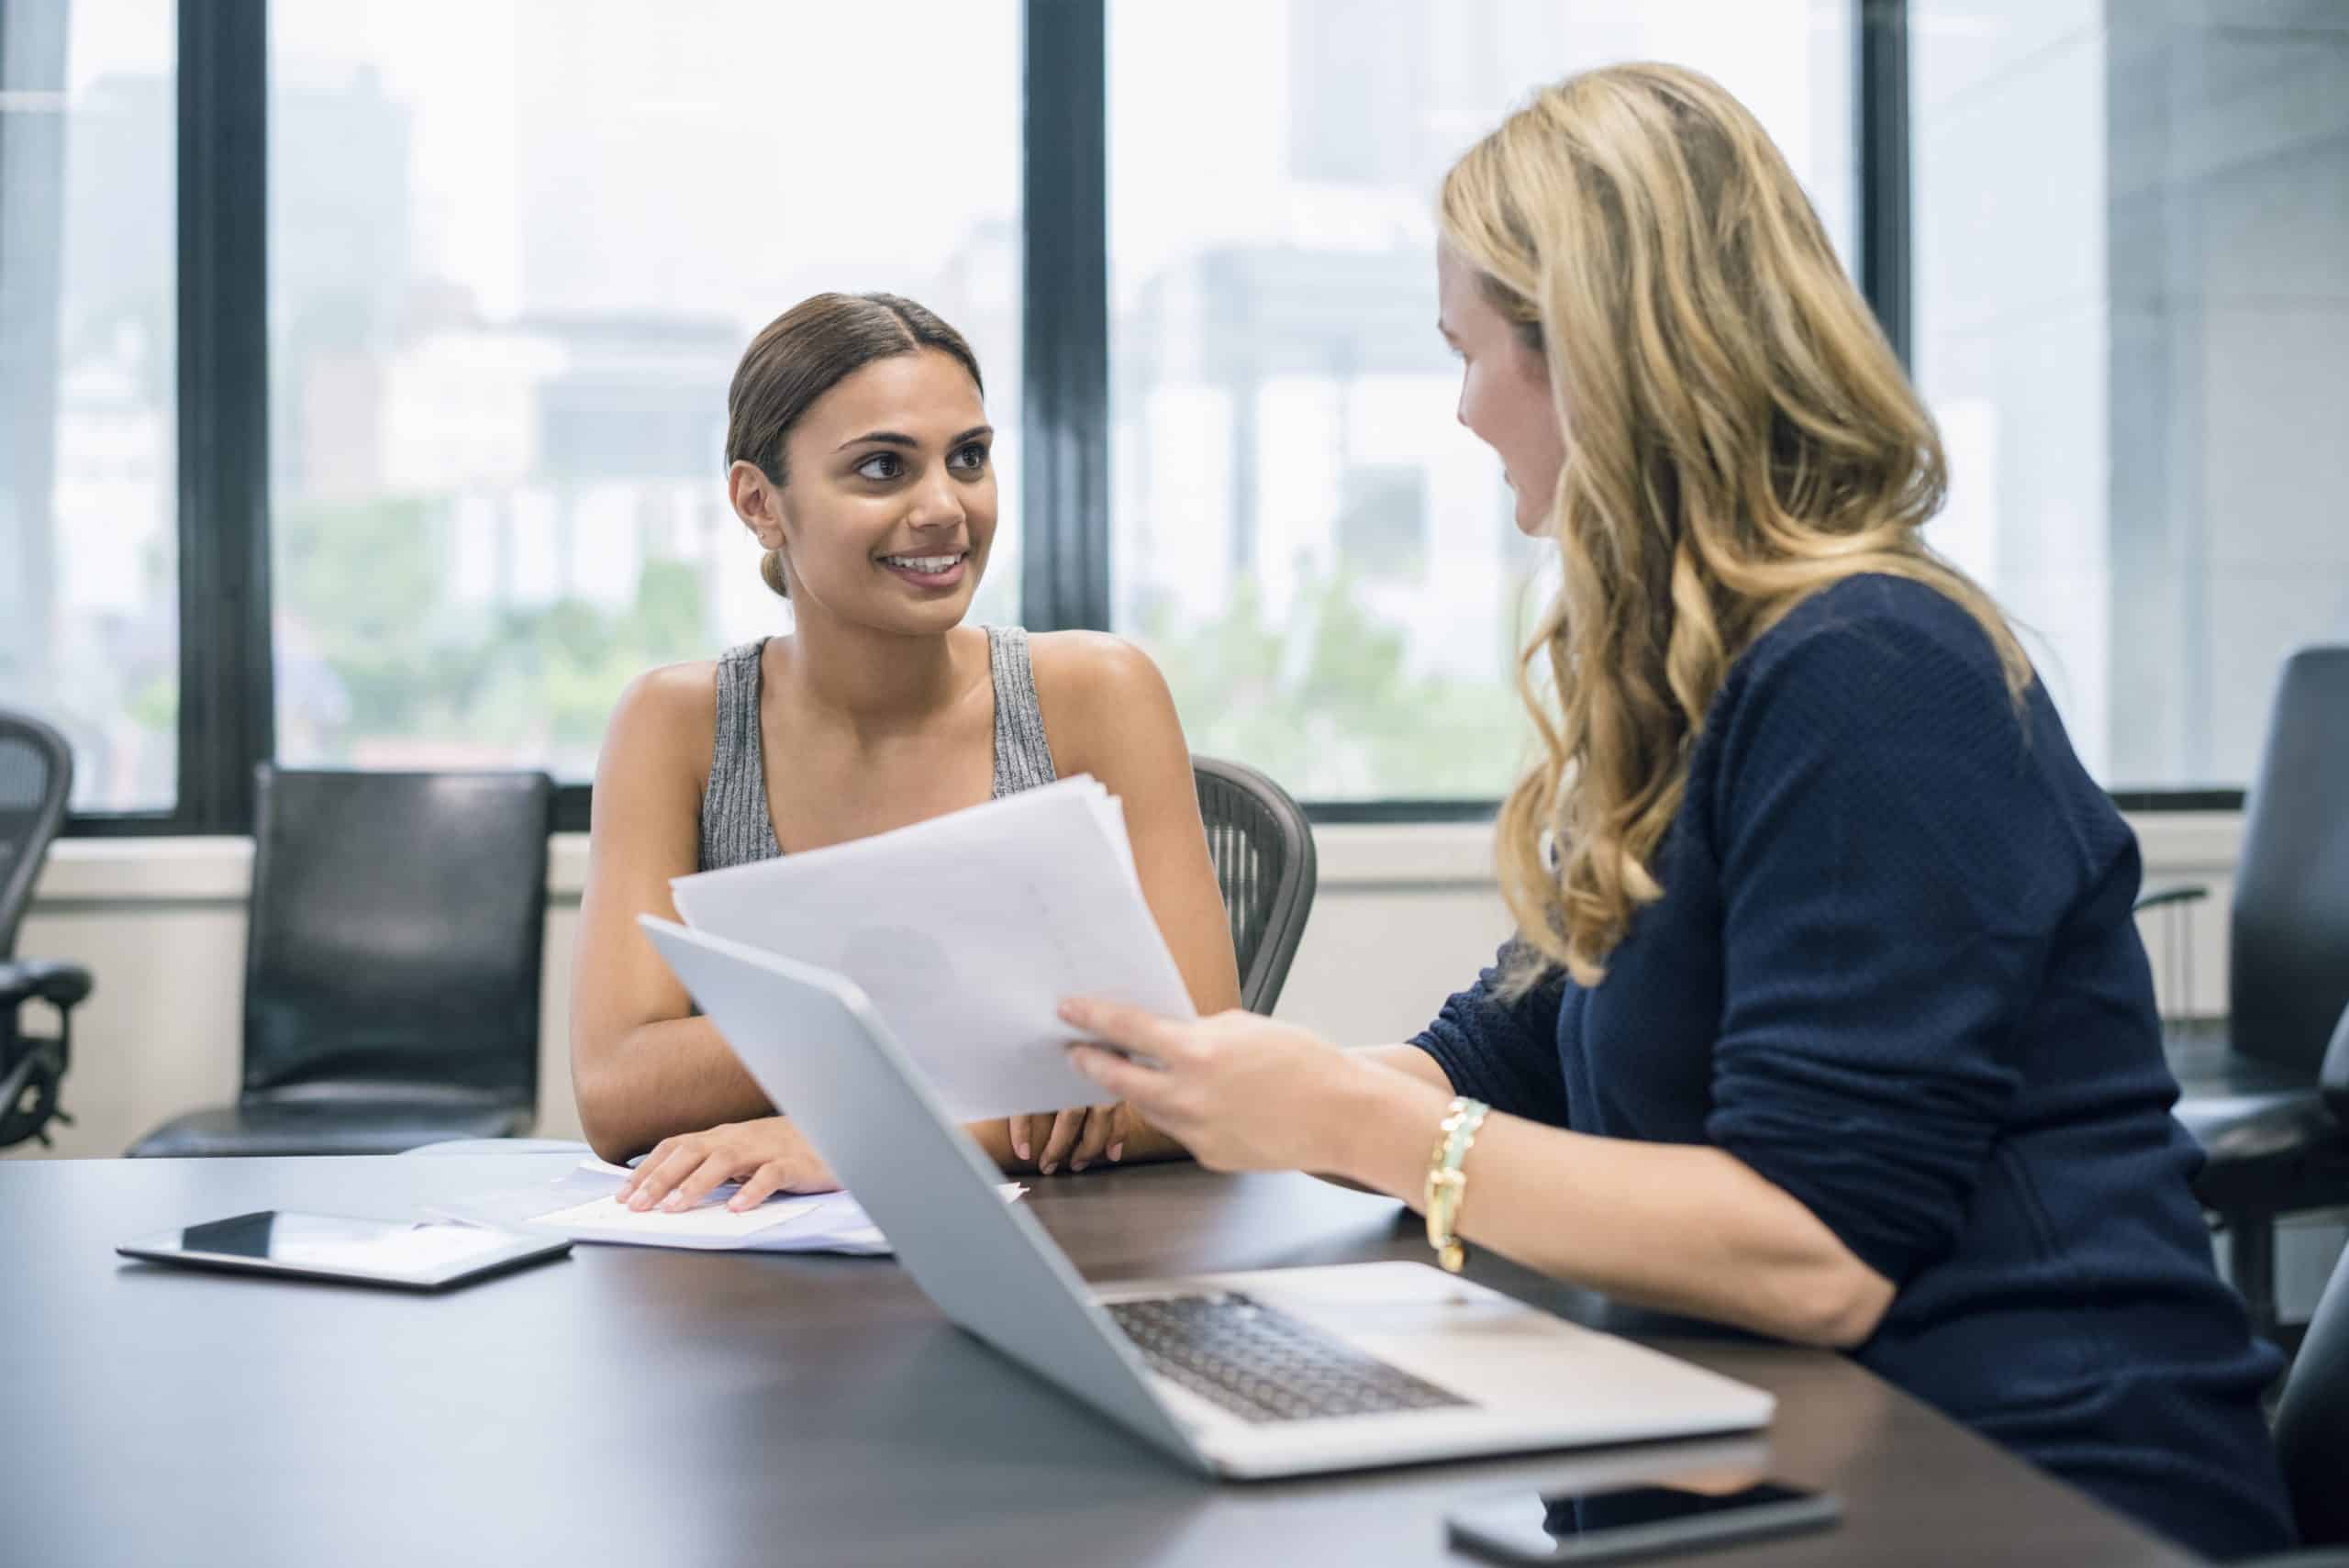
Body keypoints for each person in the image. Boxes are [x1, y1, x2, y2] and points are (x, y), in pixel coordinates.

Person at [1060, 65, 2297, 1562]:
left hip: (2016, 1485)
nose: (1461, 411)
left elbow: (1813, 1245)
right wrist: (1172, 1093)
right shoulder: (1701, 674)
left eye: (1470, 353)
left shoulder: (1875, 672)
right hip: (1766, 1443)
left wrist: (1357, 1118)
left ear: (1595, 352)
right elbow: (1500, 1054)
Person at [572, 292, 1241, 1212]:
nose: (944, 507)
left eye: (968, 457)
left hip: (1073, 1256)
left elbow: (1209, 1075)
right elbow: (618, 1089)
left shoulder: (1098, 694)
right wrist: (952, 1014)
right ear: (759, 503)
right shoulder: (673, 724)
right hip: (771, 1291)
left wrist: (857, 1133)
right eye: (883, 467)